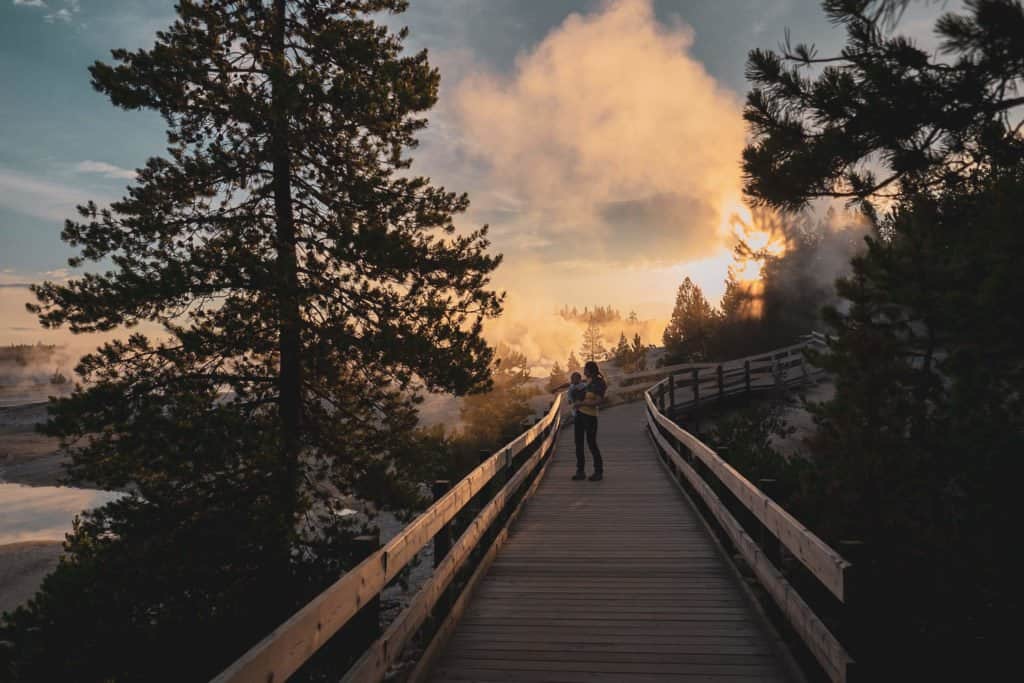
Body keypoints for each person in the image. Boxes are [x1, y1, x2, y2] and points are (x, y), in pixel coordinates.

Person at [571, 360, 606, 481]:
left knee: (591, 444)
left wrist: (582, 403)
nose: (583, 371)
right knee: (578, 444)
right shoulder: (587, 382)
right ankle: (580, 471)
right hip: (580, 415)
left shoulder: (599, 383)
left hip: (590, 416)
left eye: (585, 369)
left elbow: (598, 401)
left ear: (590, 370)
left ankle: (598, 471)